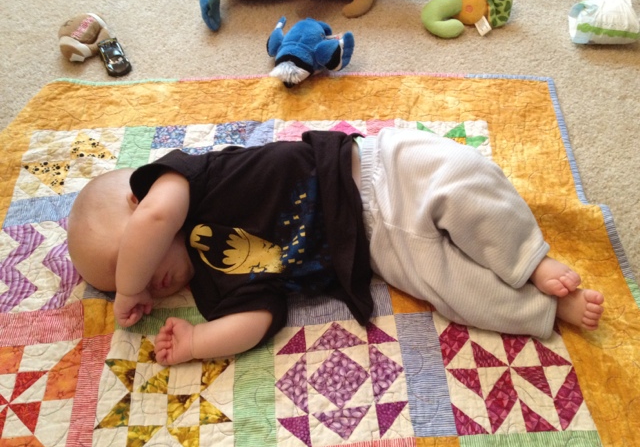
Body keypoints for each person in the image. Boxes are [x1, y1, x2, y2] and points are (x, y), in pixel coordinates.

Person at [67, 128, 604, 366]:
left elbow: (157, 220)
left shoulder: (182, 182)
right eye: (122, 286)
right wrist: (196, 342)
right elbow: (258, 320)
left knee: (462, 180)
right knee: (457, 293)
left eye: (128, 264)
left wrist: (128, 288)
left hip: (373, 171)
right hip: (375, 252)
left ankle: (529, 259)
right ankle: (544, 306)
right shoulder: (213, 285)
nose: (145, 289)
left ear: (137, 200)